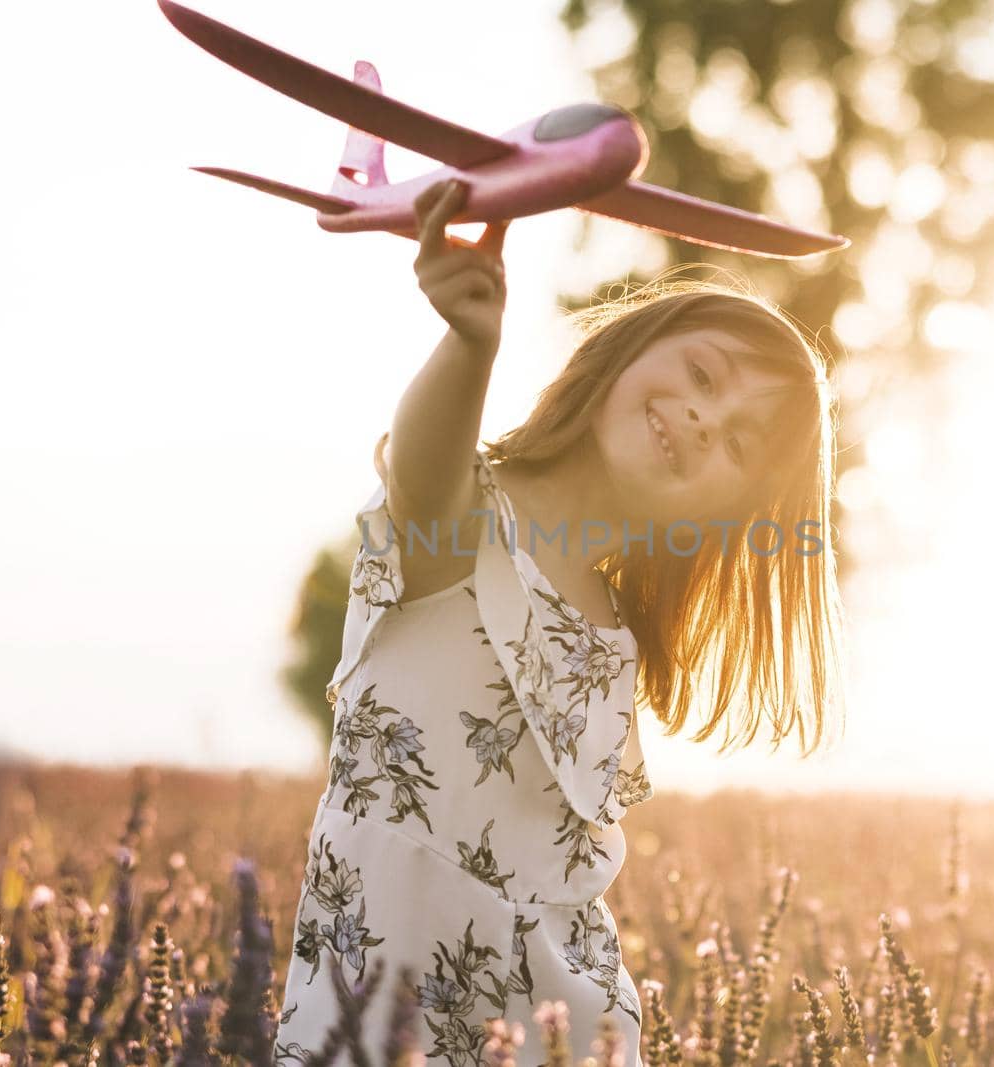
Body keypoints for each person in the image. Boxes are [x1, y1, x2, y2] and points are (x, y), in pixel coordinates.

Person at [273, 177, 848, 1066]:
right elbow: (426, 464)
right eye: (702, 374)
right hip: (367, 1019)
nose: (702, 418)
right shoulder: (459, 523)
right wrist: (470, 344)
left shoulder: (614, 638)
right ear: (630, 346)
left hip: (558, 1033)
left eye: (739, 443)